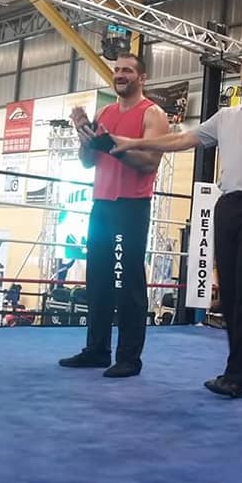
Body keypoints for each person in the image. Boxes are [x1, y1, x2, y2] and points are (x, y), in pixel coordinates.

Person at [110, 50, 242, 398]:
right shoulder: (226, 116)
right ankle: (234, 369)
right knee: (230, 293)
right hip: (228, 203)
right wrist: (135, 142)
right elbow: (181, 139)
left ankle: (239, 375)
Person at [58, 52, 168, 378]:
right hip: (101, 204)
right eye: (117, 70)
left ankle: (129, 358)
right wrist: (84, 134)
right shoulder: (104, 112)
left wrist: (109, 145)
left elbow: (149, 162)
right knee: (98, 281)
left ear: (142, 77)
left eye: (128, 70)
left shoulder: (152, 114)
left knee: (127, 282)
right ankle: (97, 350)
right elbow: (87, 162)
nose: (120, 74)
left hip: (130, 205)